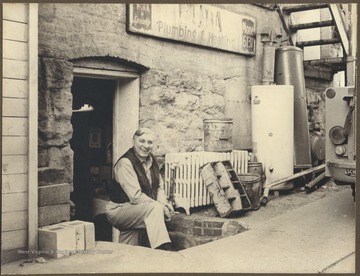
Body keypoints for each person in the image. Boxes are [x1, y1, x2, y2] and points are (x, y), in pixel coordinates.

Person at [105, 128, 174, 250]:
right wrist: (161, 207)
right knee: (154, 209)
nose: (146, 146)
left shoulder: (152, 161)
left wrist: (164, 203)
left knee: (128, 249)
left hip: (136, 209)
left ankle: (124, 260)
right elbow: (136, 197)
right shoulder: (125, 163)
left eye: (150, 142)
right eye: (142, 141)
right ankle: (162, 250)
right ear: (133, 141)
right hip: (119, 209)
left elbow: (159, 187)